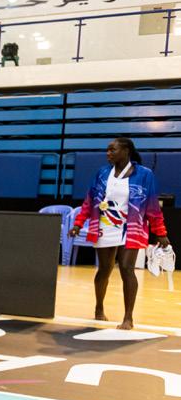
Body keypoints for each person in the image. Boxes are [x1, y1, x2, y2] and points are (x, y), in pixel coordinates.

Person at [70, 138, 170, 329]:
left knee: (126, 268)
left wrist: (160, 232)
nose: (108, 153)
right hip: (104, 226)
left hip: (131, 227)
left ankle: (128, 318)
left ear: (126, 151)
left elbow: (152, 205)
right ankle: (99, 308)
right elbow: (89, 201)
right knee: (104, 269)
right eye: (107, 150)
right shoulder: (102, 173)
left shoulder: (144, 174)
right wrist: (78, 223)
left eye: (112, 150)